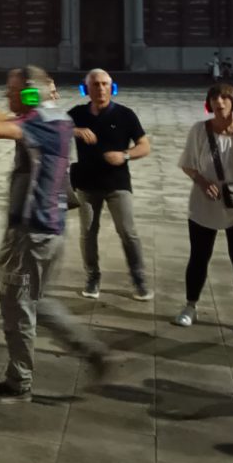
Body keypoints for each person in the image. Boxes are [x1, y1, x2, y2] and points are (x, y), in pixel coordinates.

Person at [0, 67, 107, 404]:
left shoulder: (41, 123)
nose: (7, 96)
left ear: (31, 93)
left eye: (13, 90)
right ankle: (92, 351)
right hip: (51, 228)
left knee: (17, 306)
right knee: (39, 301)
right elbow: (8, 121)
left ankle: (18, 383)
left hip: (30, 231)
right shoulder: (56, 118)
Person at [173, 83, 233, 335]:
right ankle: (190, 305)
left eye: (225, 99)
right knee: (199, 256)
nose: (220, 103)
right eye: (215, 100)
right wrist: (202, 182)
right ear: (209, 105)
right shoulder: (199, 130)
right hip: (206, 201)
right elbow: (188, 164)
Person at [68, 69, 153, 301]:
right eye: (95, 84)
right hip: (86, 183)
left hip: (117, 183)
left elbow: (144, 145)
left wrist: (124, 155)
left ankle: (138, 278)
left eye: (105, 84)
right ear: (86, 89)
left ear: (112, 87)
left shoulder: (125, 115)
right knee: (88, 233)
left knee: (127, 231)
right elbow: (53, 128)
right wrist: (74, 130)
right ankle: (92, 276)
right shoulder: (77, 114)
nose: (101, 89)